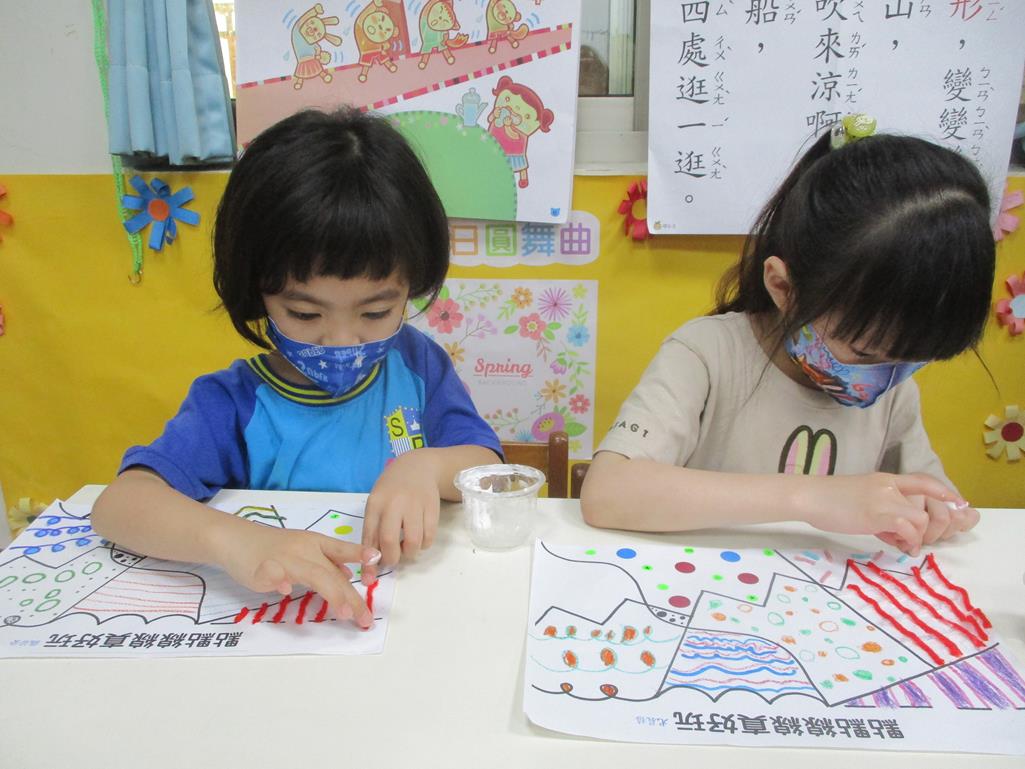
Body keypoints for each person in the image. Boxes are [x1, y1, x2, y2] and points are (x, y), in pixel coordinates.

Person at [92, 108, 502, 629]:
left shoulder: (417, 365)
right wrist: (237, 541)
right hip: (285, 629)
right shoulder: (234, 404)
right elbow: (119, 505)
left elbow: (486, 466)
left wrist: (424, 467)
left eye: (376, 312)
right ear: (256, 292)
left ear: (410, 287)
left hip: (409, 620)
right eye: (306, 314)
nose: (342, 341)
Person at [582, 116, 995, 557]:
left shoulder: (893, 388)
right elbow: (608, 492)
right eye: (863, 352)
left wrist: (935, 511)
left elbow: (929, 497)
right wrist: (810, 498)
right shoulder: (706, 354)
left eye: (912, 360)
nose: (885, 377)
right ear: (782, 287)